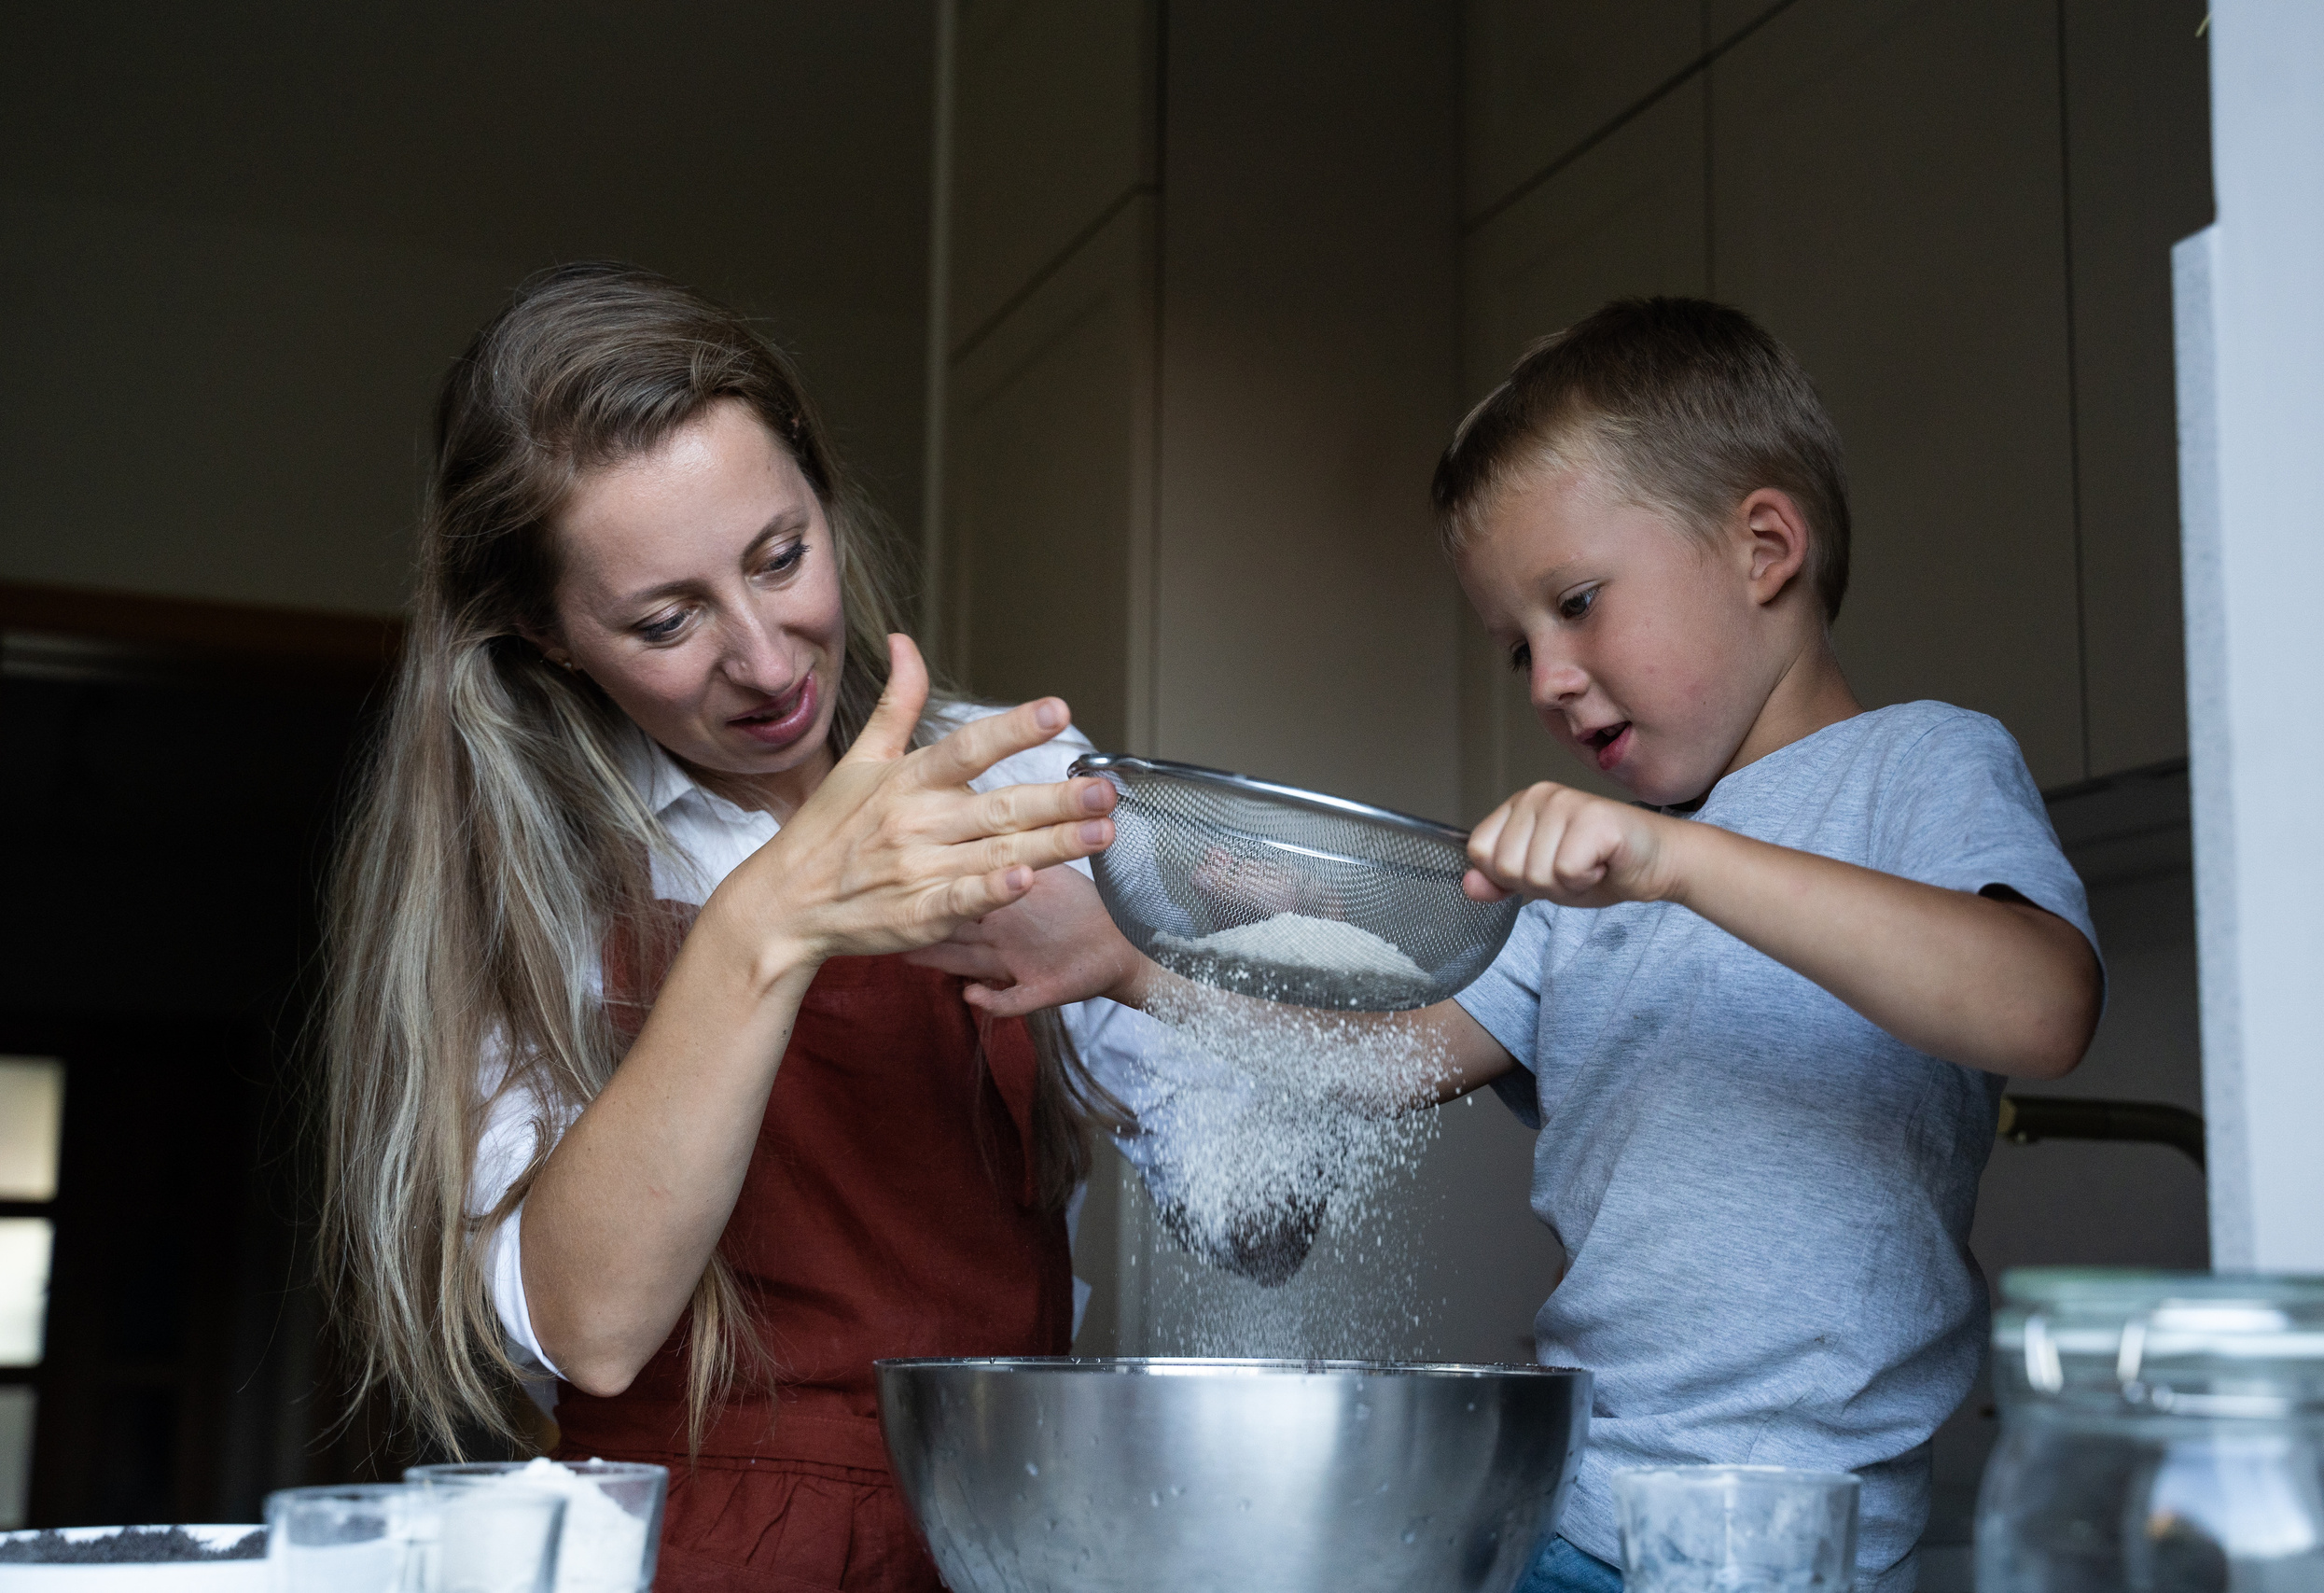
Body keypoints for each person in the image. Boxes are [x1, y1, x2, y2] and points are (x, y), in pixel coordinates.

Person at [935, 299, 2104, 1593]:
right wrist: (1137, 969)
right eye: (1517, 647)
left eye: (1579, 604)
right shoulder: (1586, 883)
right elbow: (1386, 1064)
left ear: (1764, 546)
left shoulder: (1918, 766)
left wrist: (1676, 860)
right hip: (1564, 1506)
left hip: (1788, 1540)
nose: (1547, 675)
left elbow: (2042, 1005)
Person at [315, 262, 1275, 1593]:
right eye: (665, 619)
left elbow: (1268, 1230)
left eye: (782, 558)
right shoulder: (528, 895)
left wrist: (1157, 966)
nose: (767, 663)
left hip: (1018, 1530)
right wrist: (770, 920)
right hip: (706, 1549)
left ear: (825, 497)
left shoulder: (1003, 794)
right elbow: (591, 1331)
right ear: (545, 633)